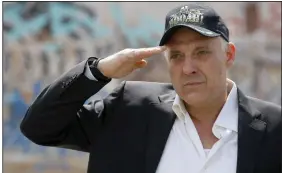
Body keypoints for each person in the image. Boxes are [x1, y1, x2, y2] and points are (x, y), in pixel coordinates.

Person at [20, 4, 281, 173]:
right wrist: (98, 71)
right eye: (177, 55)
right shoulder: (130, 108)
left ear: (229, 55)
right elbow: (39, 127)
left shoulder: (274, 128)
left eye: (201, 52)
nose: (188, 67)